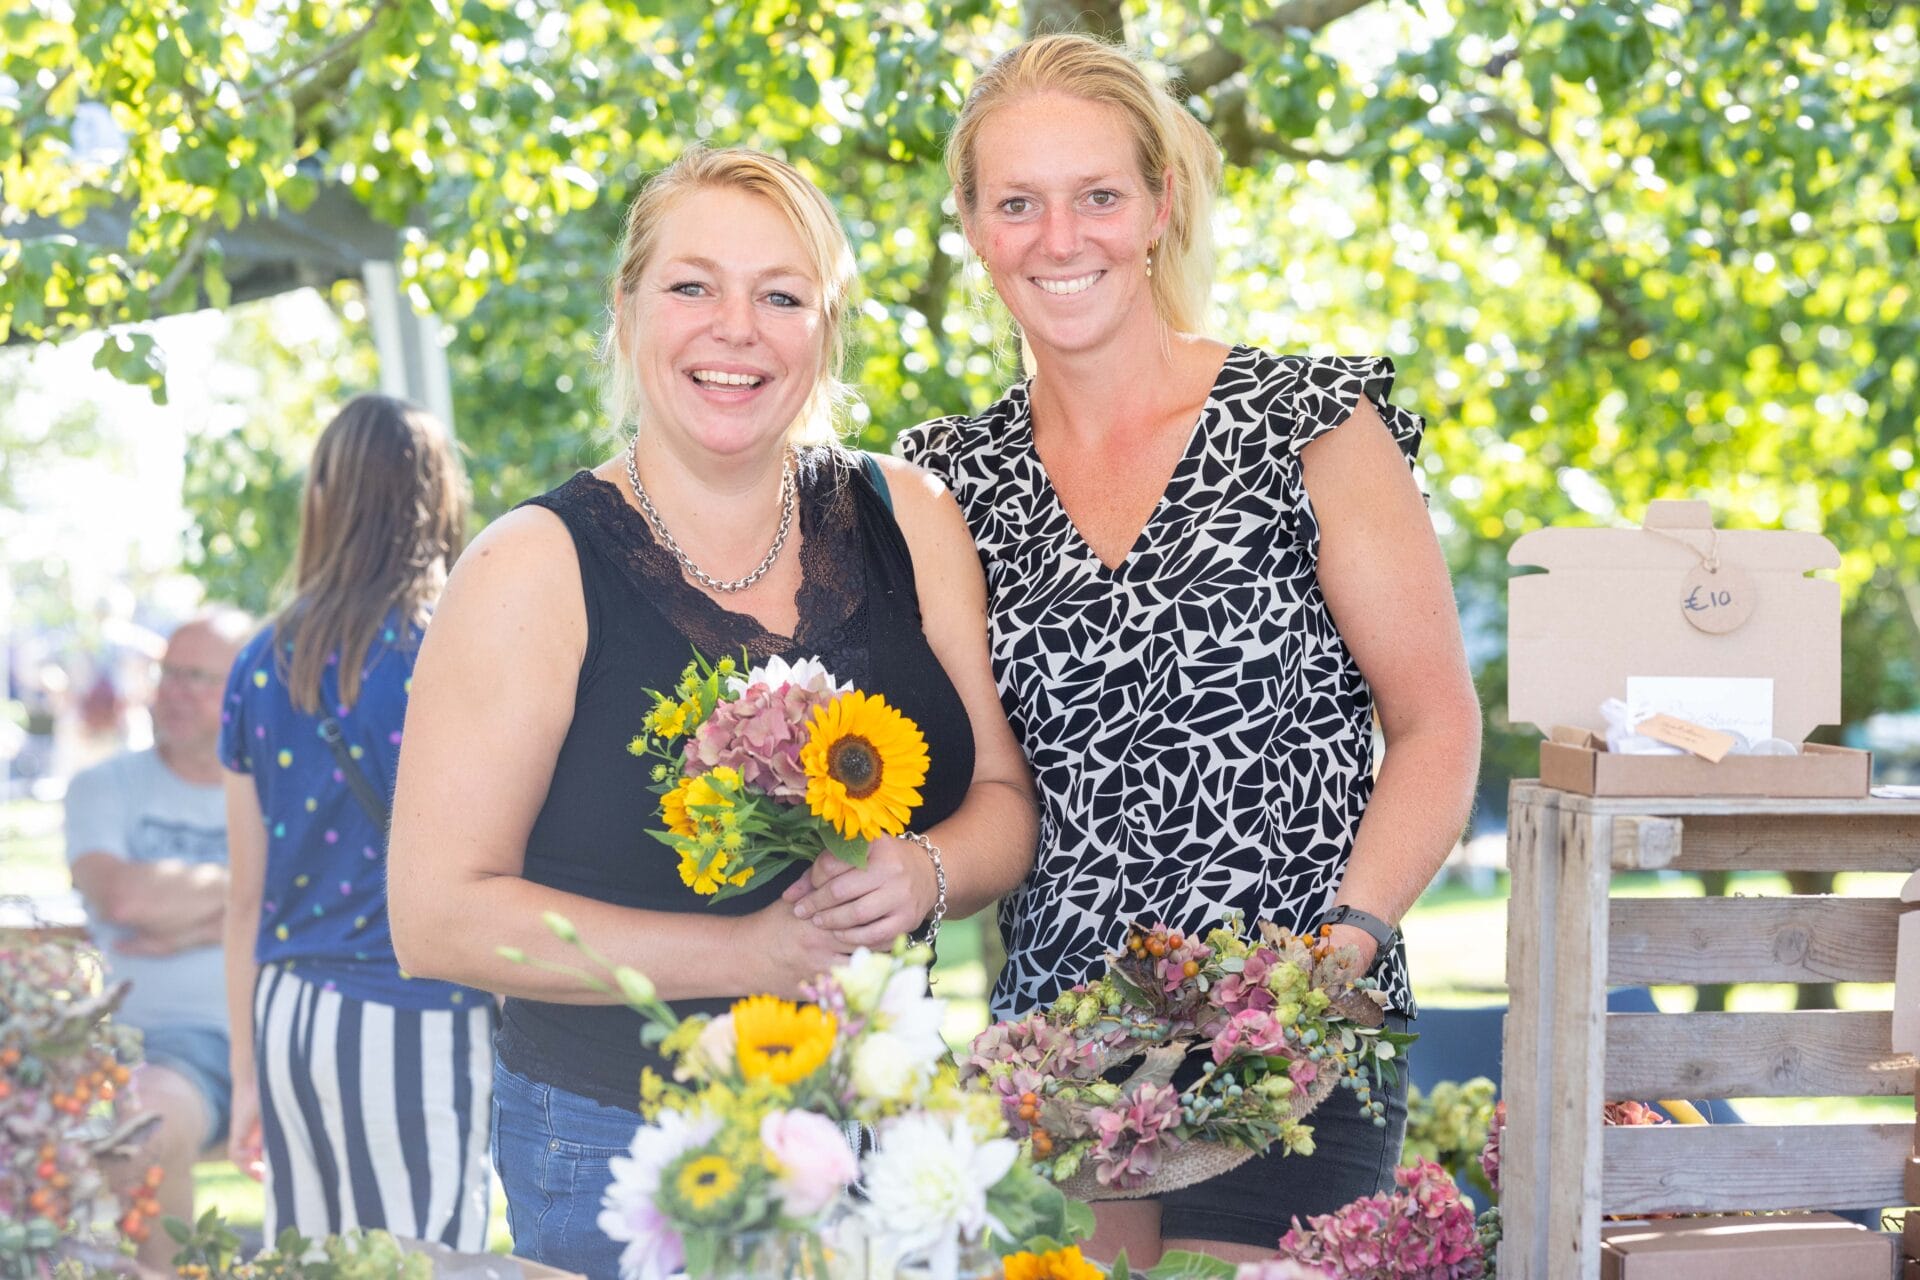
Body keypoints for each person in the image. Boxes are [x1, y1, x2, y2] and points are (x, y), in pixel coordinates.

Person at [385, 145, 1039, 1280]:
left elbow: (1000, 800)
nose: (736, 328)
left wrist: (923, 872)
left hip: (884, 1130)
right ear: (628, 306)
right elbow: (437, 914)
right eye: (693, 285)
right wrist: (745, 951)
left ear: (824, 332)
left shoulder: (913, 515)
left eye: (780, 296)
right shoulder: (530, 567)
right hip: (617, 1142)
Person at [892, 33, 1484, 1266]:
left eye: (1098, 195)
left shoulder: (1311, 423)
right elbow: (964, 783)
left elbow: (1435, 725)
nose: (1062, 238)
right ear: (975, 225)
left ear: (1159, 206)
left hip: (1298, 1047)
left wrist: (1345, 948)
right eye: (1019, 203)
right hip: (1061, 1069)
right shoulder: (943, 480)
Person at [218, 394, 494, 1250]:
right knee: (430, 1258)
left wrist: (244, 1077)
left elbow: (243, 899)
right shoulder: (456, 646)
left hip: (290, 1012)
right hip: (420, 1011)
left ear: (324, 498)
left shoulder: (262, 662)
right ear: (438, 497)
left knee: (310, 1259)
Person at [66, 607, 251, 1269]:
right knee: (132, 1122)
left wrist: (196, 917)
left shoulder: (277, 790)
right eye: (168, 673)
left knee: (136, 1121)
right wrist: (248, 892)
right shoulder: (104, 785)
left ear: (244, 689)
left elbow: (328, 894)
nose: (171, 691)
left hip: (263, 1041)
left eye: (197, 677)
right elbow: (123, 895)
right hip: (139, 1043)